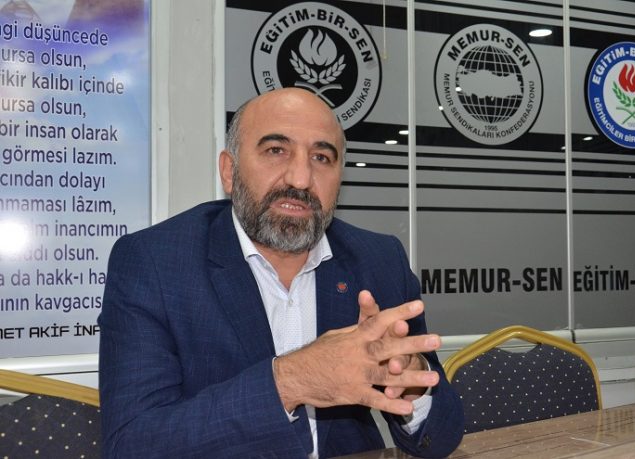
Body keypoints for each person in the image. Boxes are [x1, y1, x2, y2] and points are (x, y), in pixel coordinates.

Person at [98, 87, 466, 458]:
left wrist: (410, 384)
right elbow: (133, 444)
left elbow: (441, 439)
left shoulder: (378, 259)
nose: (301, 178)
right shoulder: (155, 263)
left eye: (321, 157)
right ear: (229, 171)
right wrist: (291, 381)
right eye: (277, 150)